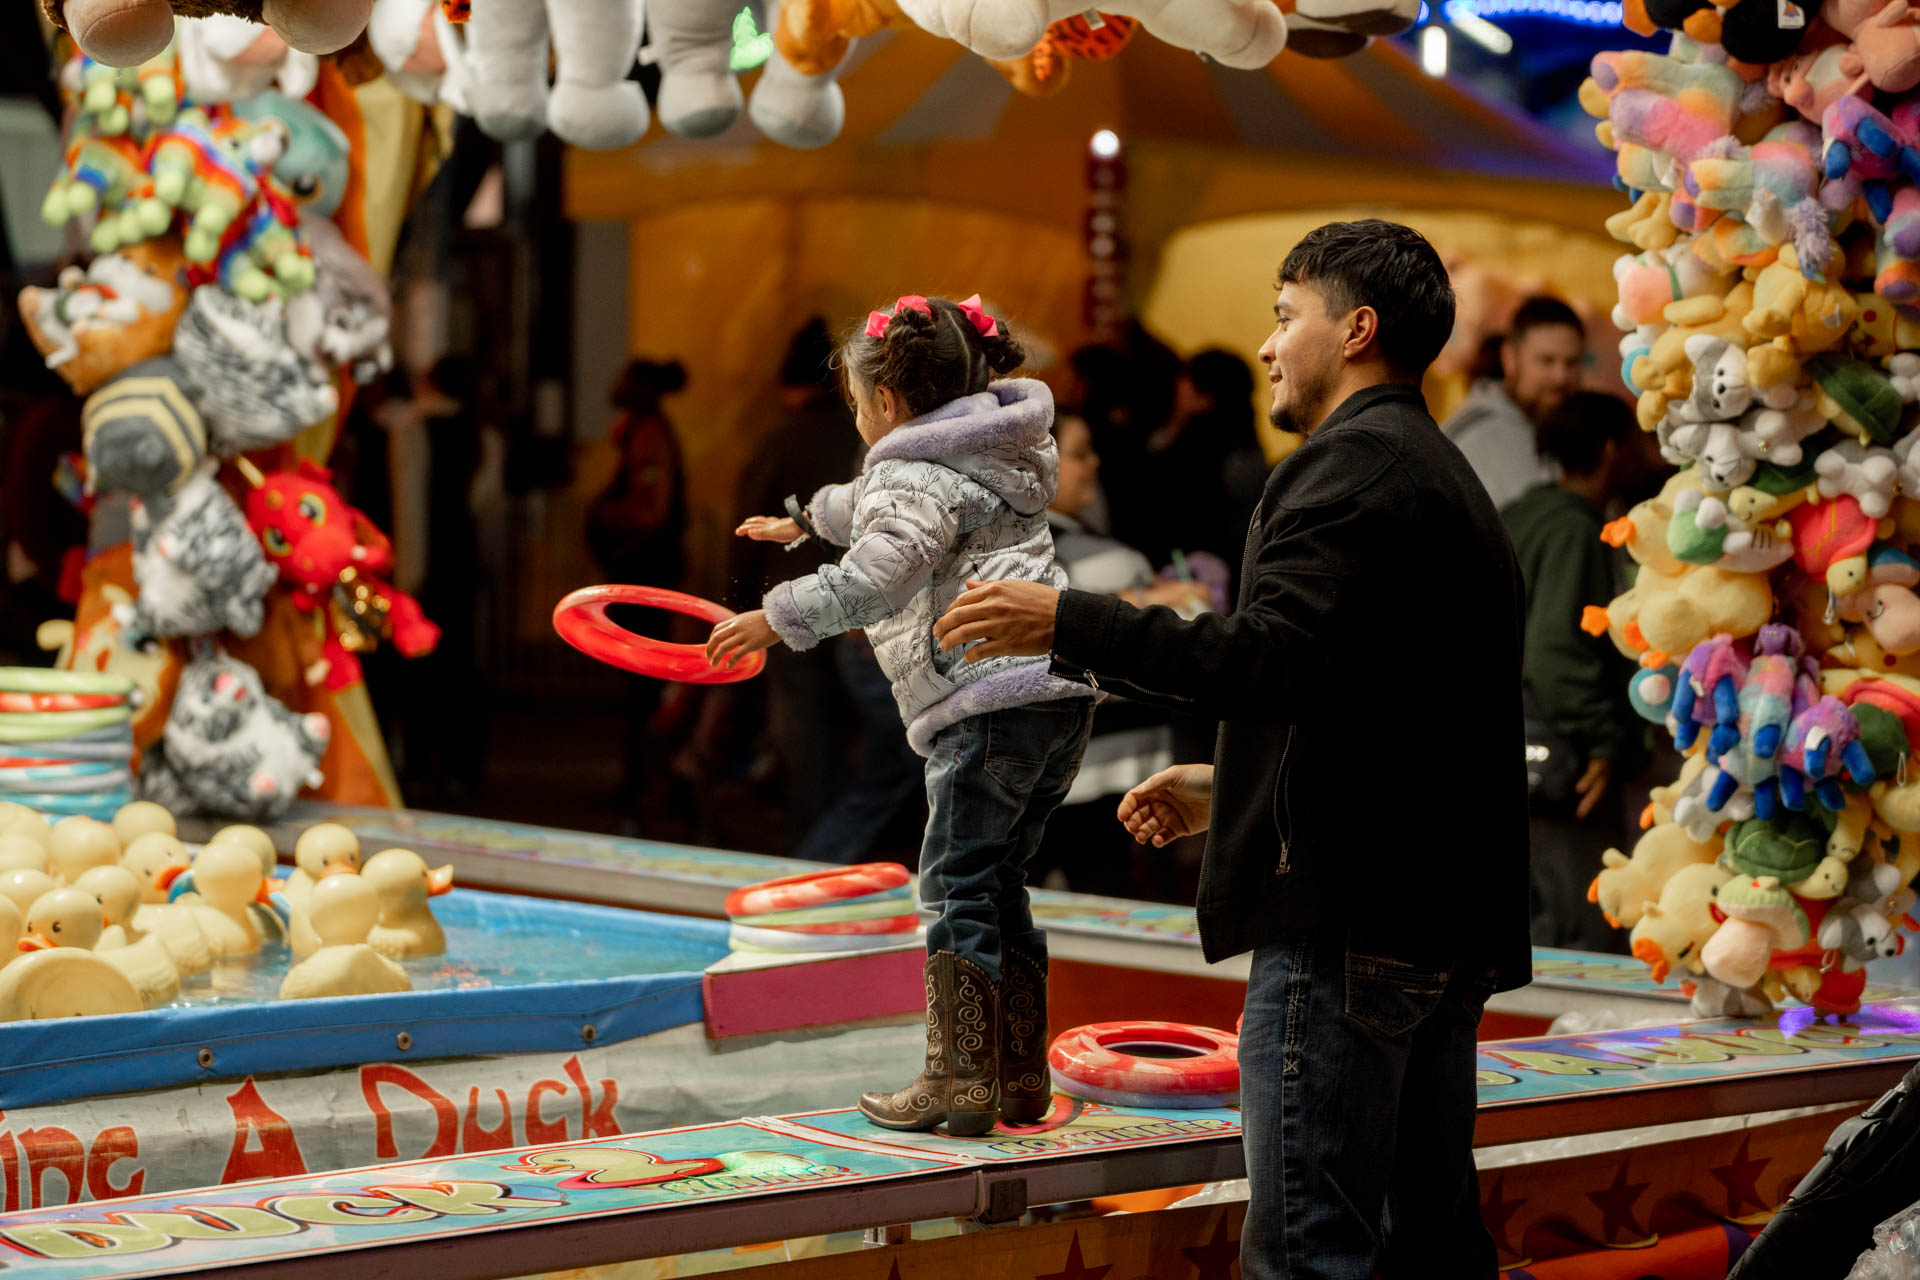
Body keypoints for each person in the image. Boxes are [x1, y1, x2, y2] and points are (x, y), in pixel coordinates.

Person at [931, 221, 1529, 1278]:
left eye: (1283, 313)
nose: (1266, 343)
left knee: (1310, 1249)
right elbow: (1397, 701)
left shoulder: (1348, 467)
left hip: (1349, 918)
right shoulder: (1432, 470)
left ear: (1357, 329)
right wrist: (1238, 784)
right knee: (1426, 1245)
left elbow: (1267, 658)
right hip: (1438, 910)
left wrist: (1068, 619)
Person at [704, 293, 1095, 1137]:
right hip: (1054, 701)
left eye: (854, 400)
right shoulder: (999, 450)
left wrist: (773, 618)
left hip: (985, 704)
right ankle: (1018, 1076)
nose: (857, 415)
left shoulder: (912, 475)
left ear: (886, 403)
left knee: (955, 886)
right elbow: (888, 502)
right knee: (999, 885)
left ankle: (957, 1082)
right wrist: (806, 518)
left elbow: (883, 566)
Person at [729, 319, 921, 863]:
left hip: (812, 618)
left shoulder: (786, 441)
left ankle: (815, 860)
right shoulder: (877, 439)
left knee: (816, 752)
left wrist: (751, 612)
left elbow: (745, 541)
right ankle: (837, 861)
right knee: (877, 762)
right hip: (864, 627)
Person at [1040, 415, 1210, 896]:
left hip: (1035, 764)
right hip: (1110, 770)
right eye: (1080, 452)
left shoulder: (992, 551)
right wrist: (1162, 599)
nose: (1093, 464)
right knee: (1104, 904)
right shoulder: (1115, 560)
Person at [1504, 392, 1638, 952]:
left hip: (1505, 761)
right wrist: (1604, 741)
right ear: (1612, 451)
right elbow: (1556, 654)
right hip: (1559, 769)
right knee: (1577, 929)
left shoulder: (1520, 512)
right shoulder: (1573, 529)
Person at [586, 359, 690, 813]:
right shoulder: (642, 430)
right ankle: (645, 780)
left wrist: (602, 515)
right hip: (647, 570)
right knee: (640, 684)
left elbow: (651, 510)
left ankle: (645, 784)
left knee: (642, 684)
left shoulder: (649, 435)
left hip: (647, 574)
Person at [1444, 295, 1587, 512]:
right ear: (1510, 359)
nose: (1561, 376)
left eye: (1572, 362)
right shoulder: (1467, 440)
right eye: (1546, 361)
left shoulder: (1582, 430)